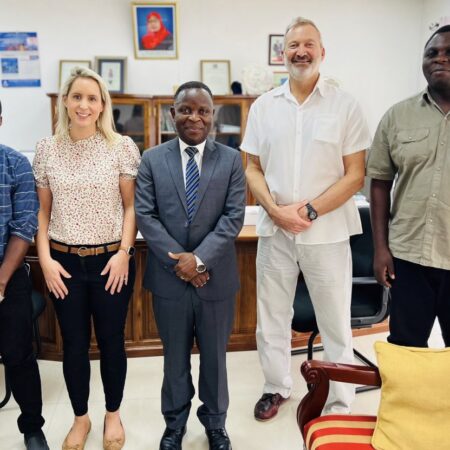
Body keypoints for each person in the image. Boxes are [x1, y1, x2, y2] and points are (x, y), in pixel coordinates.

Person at [241, 16, 371, 420]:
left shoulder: (345, 104)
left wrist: (310, 210)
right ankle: (276, 387)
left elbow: (355, 174)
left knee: (335, 322)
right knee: (272, 318)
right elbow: (252, 168)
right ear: (283, 55)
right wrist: (277, 211)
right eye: (293, 45)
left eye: (308, 44)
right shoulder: (264, 107)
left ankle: (340, 400)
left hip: (328, 232)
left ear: (321, 52)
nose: (300, 51)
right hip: (275, 231)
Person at [32, 67, 140, 450]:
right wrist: (44, 260)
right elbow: (43, 213)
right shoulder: (47, 149)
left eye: (92, 98)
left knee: (112, 342)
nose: (84, 105)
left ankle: (113, 413)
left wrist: (125, 253)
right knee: (73, 344)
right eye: (77, 96)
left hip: (111, 261)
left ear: (102, 105)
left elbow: (130, 209)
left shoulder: (121, 147)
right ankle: (81, 417)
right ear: (65, 101)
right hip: (63, 264)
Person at [135, 81, 245, 450]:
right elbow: (146, 216)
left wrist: (198, 261)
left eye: (202, 110)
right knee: (174, 360)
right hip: (169, 283)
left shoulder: (231, 159)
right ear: (173, 114)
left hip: (216, 280)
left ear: (212, 116)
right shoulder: (151, 158)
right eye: (186, 109)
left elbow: (233, 217)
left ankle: (215, 425)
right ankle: (175, 424)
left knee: (214, 360)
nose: (194, 117)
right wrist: (182, 263)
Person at [367, 25, 450, 348]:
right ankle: (409, 402)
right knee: (405, 347)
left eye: (448, 53)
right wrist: (380, 248)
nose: (439, 58)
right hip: (408, 257)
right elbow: (379, 184)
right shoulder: (397, 116)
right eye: (432, 53)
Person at [0, 101, 49, 450]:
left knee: (19, 355)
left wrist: (1, 280)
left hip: (8, 274)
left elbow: (23, 227)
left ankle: (32, 428)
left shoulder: (15, 164)